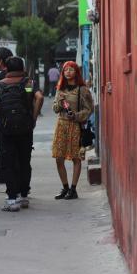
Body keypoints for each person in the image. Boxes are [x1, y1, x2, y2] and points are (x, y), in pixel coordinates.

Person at [0, 57, 43, 212]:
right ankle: (24, 196)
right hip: (25, 128)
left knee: (8, 164)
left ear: (7, 69)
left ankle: (12, 199)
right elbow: (39, 97)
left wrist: (0, 111)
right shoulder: (29, 83)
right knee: (25, 161)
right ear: (22, 67)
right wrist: (34, 117)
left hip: (6, 130)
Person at [51, 61, 94, 200]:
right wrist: (59, 103)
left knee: (76, 157)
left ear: (76, 72)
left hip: (75, 126)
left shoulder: (82, 89)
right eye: (65, 70)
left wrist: (76, 115)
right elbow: (55, 109)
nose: (68, 72)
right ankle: (65, 187)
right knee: (59, 158)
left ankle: (73, 189)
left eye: (71, 69)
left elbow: (89, 109)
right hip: (61, 124)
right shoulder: (60, 89)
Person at [0, 47, 13, 183]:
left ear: (1, 61)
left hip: (5, 123)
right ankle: (23, 190)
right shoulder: (24, 77)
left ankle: (9, 188)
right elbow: (38, 97)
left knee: (6, 153)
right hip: (24, 123)